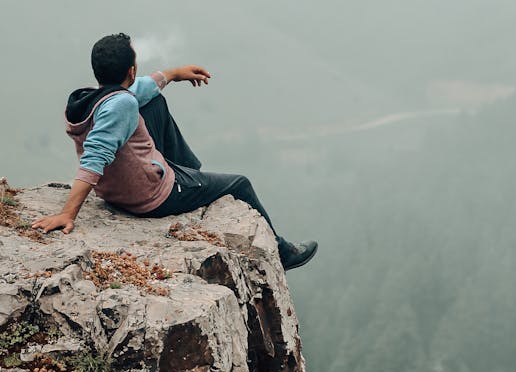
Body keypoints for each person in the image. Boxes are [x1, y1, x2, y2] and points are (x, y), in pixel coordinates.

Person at [30, 32, 318, 271]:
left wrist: (173, 74)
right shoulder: (121, 106)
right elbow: (95, 157)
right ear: (131, 70)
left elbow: (136, 91)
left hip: (120, 185)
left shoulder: (91, 98)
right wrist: (67, 214)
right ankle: (281, 252)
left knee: (154, 101)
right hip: (149, 196)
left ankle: (189, 174)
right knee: (240, 184)